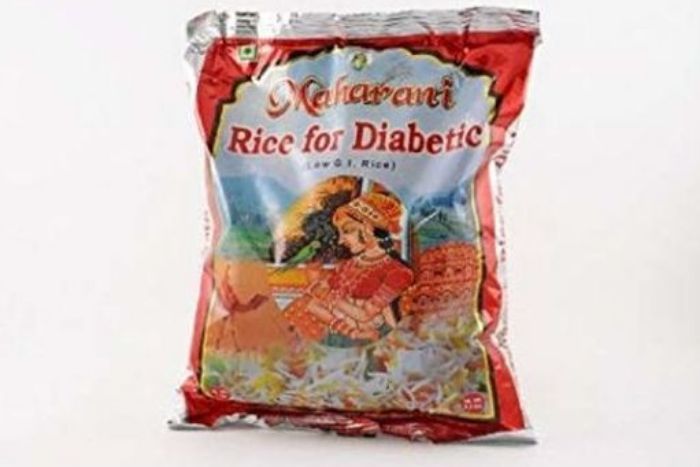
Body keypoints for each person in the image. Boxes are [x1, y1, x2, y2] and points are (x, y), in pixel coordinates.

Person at [283, 192, 414, 346]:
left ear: (369, 228)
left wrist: (331, 298)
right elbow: (322, 294)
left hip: (374, 341)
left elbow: (365, 315)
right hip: (339, 337)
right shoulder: (348, 265)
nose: (340, 240)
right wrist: (318, 284)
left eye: (347, 230)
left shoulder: (398, 272)